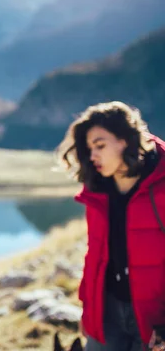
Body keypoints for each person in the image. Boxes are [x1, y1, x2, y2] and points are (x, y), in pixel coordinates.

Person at [57, 101, 165, 351]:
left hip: (154, 320)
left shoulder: (161, 184)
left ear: (125, 140)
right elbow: (94, 255)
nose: (93, 156)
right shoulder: (97, 191)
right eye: (89, 149)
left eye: (100, 145)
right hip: (107, 316)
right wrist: (89, 312)